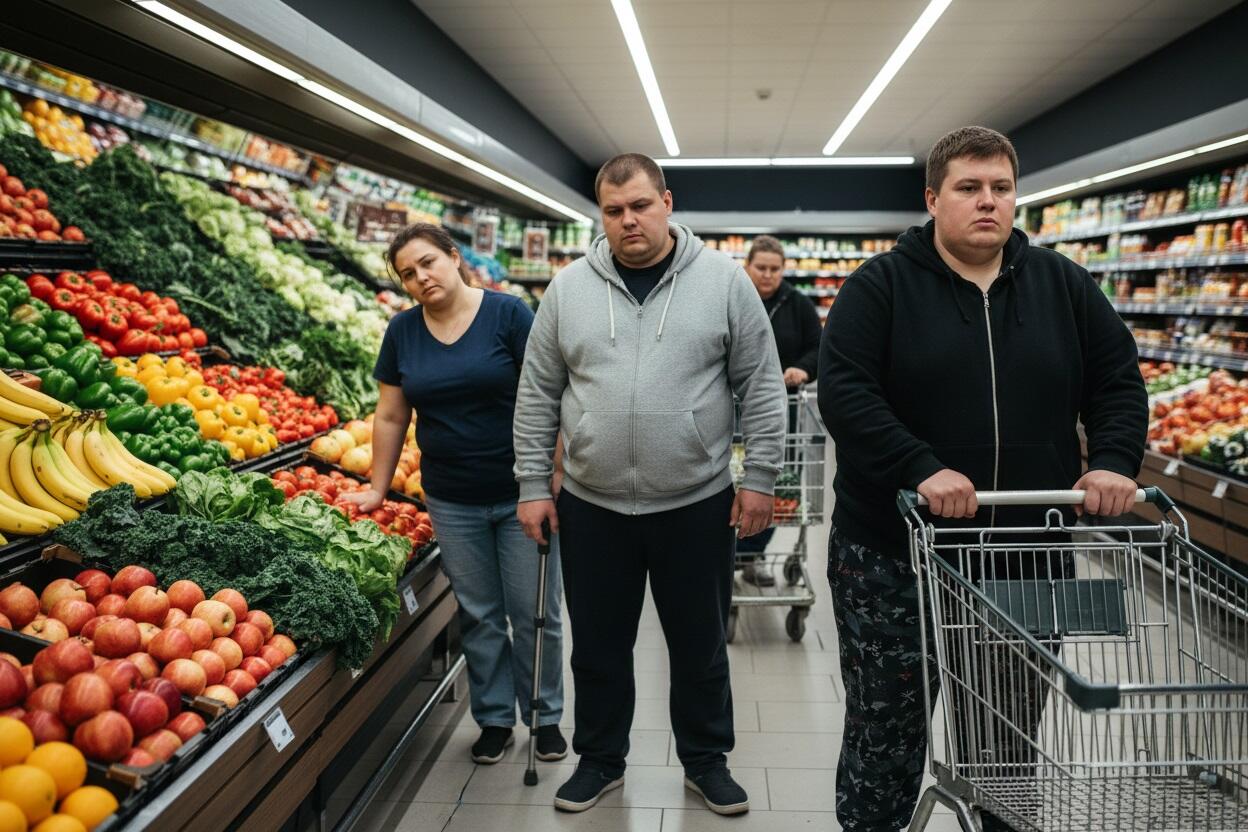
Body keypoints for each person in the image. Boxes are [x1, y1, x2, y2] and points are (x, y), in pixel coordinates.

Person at [818, 126, 1147, 832]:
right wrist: (920, 467)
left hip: (1027, 555)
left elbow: (1118, 381)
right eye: (969, 188)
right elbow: (846, 393)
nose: (988, 201)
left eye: (1001, 187)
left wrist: (1114, 459)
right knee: (886, 732)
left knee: (1006, 742)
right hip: (895, 555)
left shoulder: (1064, 285)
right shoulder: (880, 287)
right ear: (933, 199)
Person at [513, 153, 787, 816]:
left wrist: (760, 478)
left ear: (667, 202)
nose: (628, 220)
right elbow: (537, 393)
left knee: (699, 645)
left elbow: (761, 384)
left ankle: (707, 761)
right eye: (613, 211)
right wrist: (532, 484)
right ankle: (600, 760)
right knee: (598, 647)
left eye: (640, 205)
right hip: (592, 504)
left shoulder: (724, 282)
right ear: (601, 216)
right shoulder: (568, 289)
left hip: (696, 502)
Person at [343, 223, 566, 767]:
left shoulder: (509, 314)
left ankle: (544, 715)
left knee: (535, 611)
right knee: (480, 614)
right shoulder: (402, 331)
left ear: (453, 255)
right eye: (408, 274)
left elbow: (550, 395)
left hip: (522, 493)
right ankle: (494, 719)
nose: (421, 278)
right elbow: (391, 415)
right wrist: (377, 486)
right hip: (450, 497)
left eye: (428, 263)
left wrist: (553, 475)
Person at [736, 234, 822, 586]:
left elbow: (819, 347)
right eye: (761, 268)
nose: (768, 275)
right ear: (747, 266)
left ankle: (753, 554)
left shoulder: (798, 304)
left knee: (777, 482)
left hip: (783, 409)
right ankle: (730, 553)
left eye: (775, 269)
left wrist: (803, 369)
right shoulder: (734, 297)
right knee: (733, 480)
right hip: (733, 410)